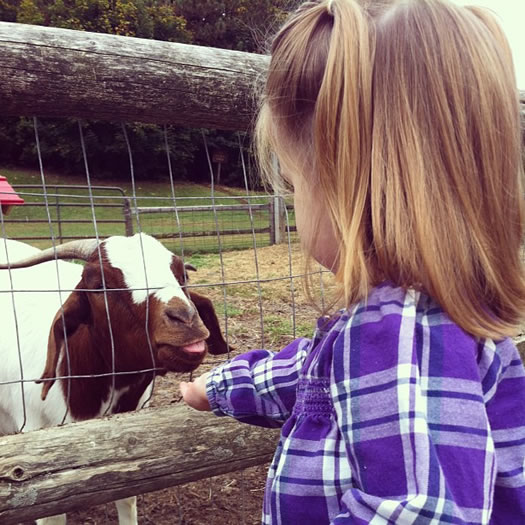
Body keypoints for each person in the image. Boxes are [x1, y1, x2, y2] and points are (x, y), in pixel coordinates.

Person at [181, 0, 525, 522]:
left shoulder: (399, 333)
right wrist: (222, 387)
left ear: (344, 185)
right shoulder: (417, 322)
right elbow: (315, 376)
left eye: (295, 181)